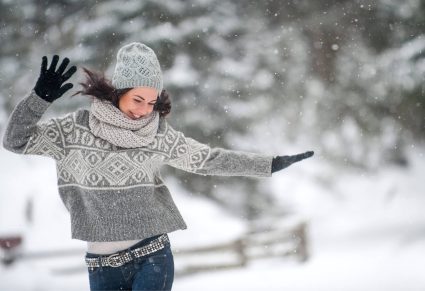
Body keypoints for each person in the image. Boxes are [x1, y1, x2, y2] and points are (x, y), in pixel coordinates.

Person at [2, 42, 314, 291]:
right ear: (119, 91)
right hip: (100, 265)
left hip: (151, 257)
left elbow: (208, 159)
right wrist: (38, 100)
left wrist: (268, 164)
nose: (144, 111)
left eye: (151, 103)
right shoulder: (74, 130)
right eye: (138, 99)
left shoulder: (156, 134)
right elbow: (15, 141)